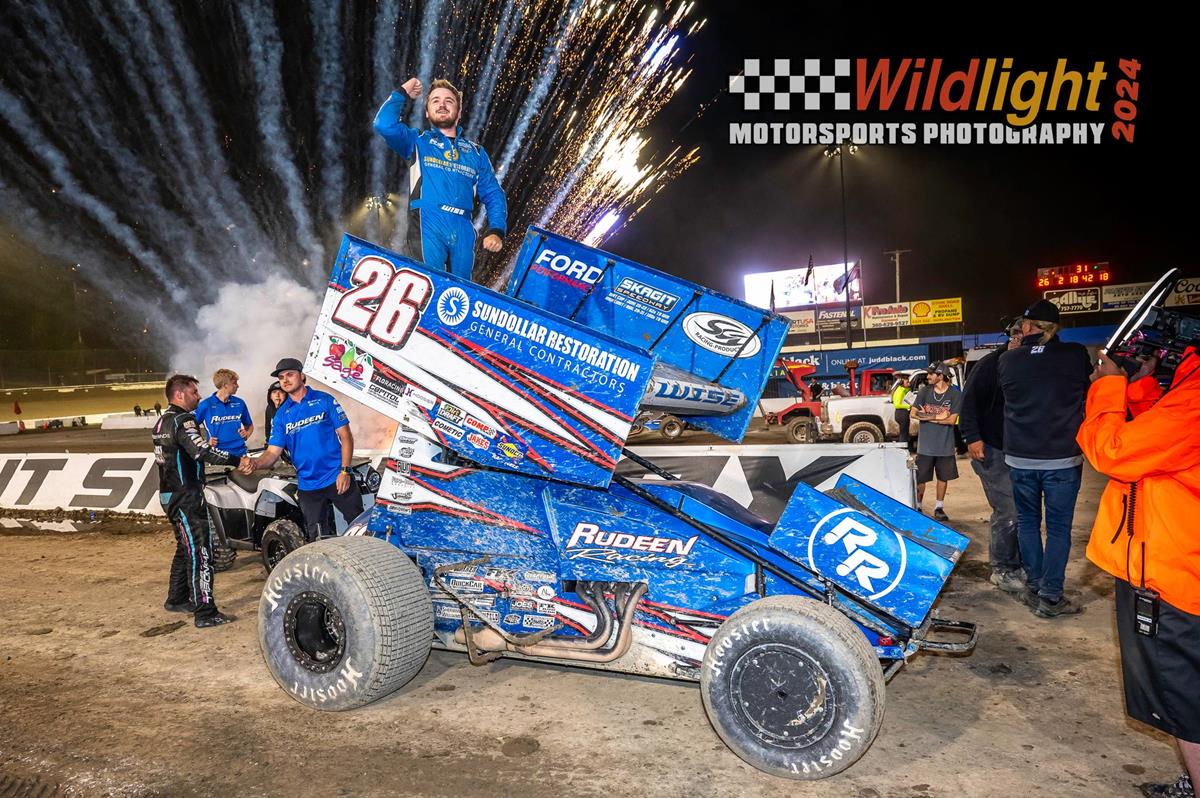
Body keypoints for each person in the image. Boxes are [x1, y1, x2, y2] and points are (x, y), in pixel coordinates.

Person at [1079, 345, 1200, 798]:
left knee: (1185, 700)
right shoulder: (1187, 395)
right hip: (1179, 563)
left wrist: (1108, 385)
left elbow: (1112, 451)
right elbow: (1166, 437)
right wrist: (1146, 385)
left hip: (1176, 577)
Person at [998, 299, 1092, 618]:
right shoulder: (1075, 355)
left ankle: (1036, 586)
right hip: (1061, 459)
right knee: (1058, 528)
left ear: (1029, 327)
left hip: (1020, 458)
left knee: (1027, 522)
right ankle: (1050, 596)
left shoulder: (1009, 361)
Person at [373, 77, 507, 282]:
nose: (442, 104)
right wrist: (401, 92)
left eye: (449, 101)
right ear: (427, 112)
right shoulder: (417, 140)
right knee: (426, 286)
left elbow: (493, 193)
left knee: (456, 295)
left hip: (463, 227)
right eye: (435, 101)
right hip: (428, 222)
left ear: (459, 112)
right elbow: (384, 125)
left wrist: (496, 229)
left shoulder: (476, 152)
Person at [152, 374, 248, 628]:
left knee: (185, 547)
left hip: (169, 494)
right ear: (180, 394)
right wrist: (237, 460)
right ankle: (205, 613)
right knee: (201, 551)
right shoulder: (184, 421)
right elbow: (201, 451)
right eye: (194, 392)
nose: (199, 396)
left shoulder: (161, 421)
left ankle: (177, 598)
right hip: (186, 496)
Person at [242, 358, 362, 542]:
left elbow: (346, 436)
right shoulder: (282, 414)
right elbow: (273, 452)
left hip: (337, 477)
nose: (285, 380)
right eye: (281, 377)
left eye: (290, 374)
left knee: (359, 527)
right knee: (318, 538)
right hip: (308, 485)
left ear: (302, 376)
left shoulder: (324, 400)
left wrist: (345, 471)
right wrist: (256, 463)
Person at [960, 320, 1025, 593]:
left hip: (1020, 451)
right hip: (991, 449)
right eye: (1018, 335)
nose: (1022, 340)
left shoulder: (1027, 365)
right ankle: (1003, 568)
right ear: (1011, 337)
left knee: (1023, 510)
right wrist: (973, 438)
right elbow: (968, 403)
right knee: (1008, 508)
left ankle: (1020, 563)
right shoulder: (990, 365)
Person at [911, 361, 962, 520]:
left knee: (943, 477)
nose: (928, 377)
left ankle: (939, 507)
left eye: (931, 374)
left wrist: (926, 416)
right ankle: (918, 506)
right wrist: (936, 416)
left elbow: (952, 420)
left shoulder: (955, 394)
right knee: (921, 478)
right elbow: (913, 414)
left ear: (940, 376)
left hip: (945, 446)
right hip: (925, 446)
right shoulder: (924, 392)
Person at [194, 369, 253, 457]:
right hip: (217, 455)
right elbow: (190, 428)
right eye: (234, 383)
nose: (237, 386)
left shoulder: (240, 403)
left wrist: (247, 434)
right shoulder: (206, 405)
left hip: (240, 453)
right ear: (225, 385)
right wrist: (204, 443)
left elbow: (250, 425)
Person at [890, 373, 912, 444]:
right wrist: (909, 406)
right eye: (907, 382)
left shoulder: (902, 389)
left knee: (904, 433)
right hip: (902, 413)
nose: (909, 383)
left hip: (901, 413)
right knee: (903, 434)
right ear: (902, 383)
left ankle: (904, 447)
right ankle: (902, 449)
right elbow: (897, 405)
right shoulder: (900, 391)